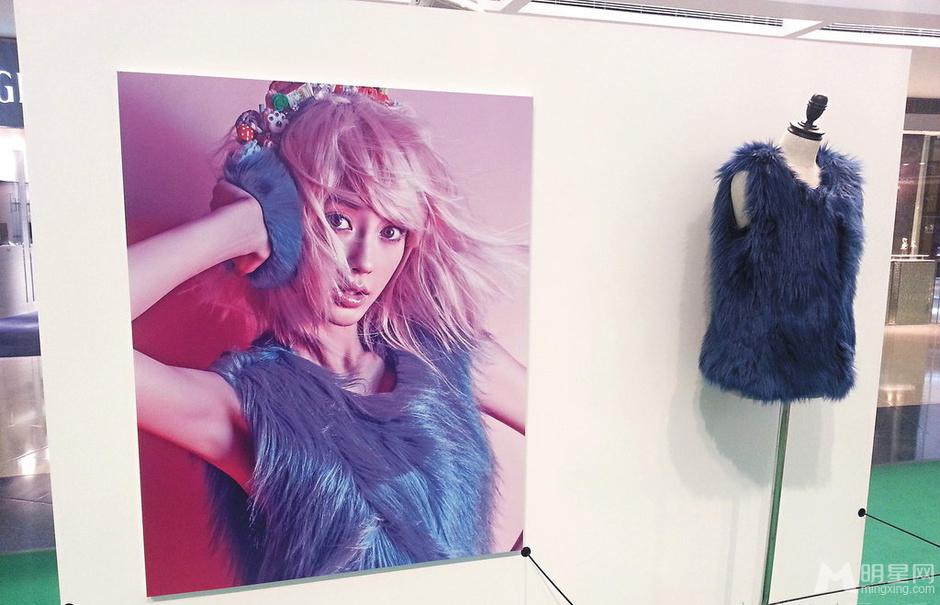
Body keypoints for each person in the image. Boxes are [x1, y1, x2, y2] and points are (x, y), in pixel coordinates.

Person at [128, 82, 527, 585]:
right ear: (289, 223)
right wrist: (238, 226)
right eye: (338, 220)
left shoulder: (451, 358)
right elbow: (80, 340)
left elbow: (586, 437)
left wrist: (521, 577)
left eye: (391, 231)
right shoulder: (246, 405)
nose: (364, 261)